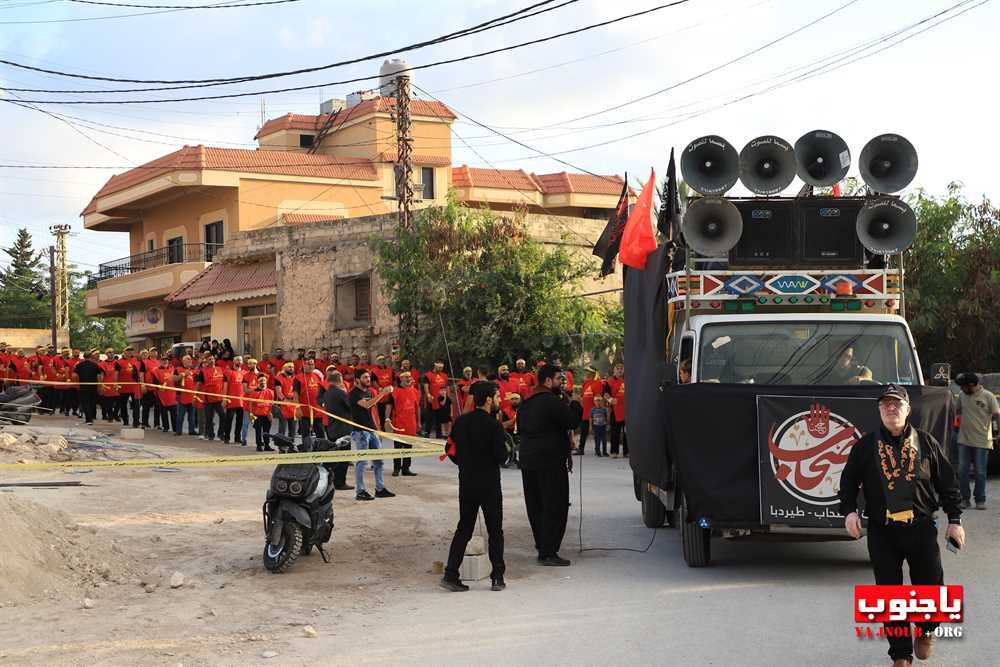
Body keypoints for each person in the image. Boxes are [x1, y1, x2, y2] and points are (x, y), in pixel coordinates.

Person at [838, 384, 965, 667]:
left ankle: (927, 630)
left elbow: (948, 484)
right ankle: (900, 655)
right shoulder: (866, 446)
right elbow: (847, 484)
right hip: (883, 531)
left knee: (930, 588)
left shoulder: (927, 442)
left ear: (908, 409)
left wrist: (955, 520)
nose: (891, 409)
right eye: (885, 405)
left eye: (897, 404)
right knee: (888, 593)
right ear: (879, 411)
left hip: (920, 528)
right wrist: (849, 512)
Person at [441, 382, 509, 592]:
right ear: (488, 399)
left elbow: (449, 450)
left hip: (467, 483)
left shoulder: (461, 422)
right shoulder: (494, 425)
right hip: (489, 485)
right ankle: (497, 577)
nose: (499, 400)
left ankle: (451, 574)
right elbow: (502, 457)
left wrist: (465, 463)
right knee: (495, 530)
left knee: (464, 528)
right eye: (497, 397)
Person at [516, 363, 582, 567]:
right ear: (547, 381)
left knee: (536, 505)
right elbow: (571, 421)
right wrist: (576, 404)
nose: (561, 383)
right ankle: (548, 551)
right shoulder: (550, 401)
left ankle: (542, 545)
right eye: (558, 379)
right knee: (555, 504)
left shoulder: (527, 401)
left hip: (528, 460)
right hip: (550, 461)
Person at [954, 372, 999, 510]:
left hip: (982, 441)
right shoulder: (962, 396)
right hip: (964, 440)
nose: (961, 389)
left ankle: (980, 499)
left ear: (972, 385)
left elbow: (997, 414)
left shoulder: (988, 396)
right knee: (962, 471)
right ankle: (964, 499)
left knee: (980, 472)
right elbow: (957, 412)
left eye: (963, 387)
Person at [348, 369, 395, 501]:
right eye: (365, 377)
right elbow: (368, 405)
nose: (368, 379)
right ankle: (360, 491)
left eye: (368, 377)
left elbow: (371, 408)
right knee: (362, 462)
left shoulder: (367, 391)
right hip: (360, 432)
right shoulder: (353, 394)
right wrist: (383, 393)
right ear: (357, 379)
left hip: (372, 430)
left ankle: (380, 489)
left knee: (379, 461)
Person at [318, 369, 353, 491]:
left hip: (332, 427)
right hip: (342, 428)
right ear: (340, 380)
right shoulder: (340, 393)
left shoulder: (327, 393)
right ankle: (340, 482)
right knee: (343, 458)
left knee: (334, 456)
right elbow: (350, 406)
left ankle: (332, 480)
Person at [386, 370, 421, 477]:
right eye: (406, 377)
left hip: (411, 423)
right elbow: (389, 406)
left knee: (408, 447)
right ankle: (396, 468)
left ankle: (406, 468)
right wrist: (387, 419)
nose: (408, 379)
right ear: (401, 379)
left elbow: (417, 408)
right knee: (398, 447)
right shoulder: (394, 392)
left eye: (409, 377)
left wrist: (419, 422)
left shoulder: (415, 391)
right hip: (398, 423)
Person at [293, 358, 326, 451]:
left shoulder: (317, 376)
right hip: (304, 411)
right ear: (304, 365)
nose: (310, 366)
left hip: (317, 410)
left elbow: (322, 391)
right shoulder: (298, 378)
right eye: (308, 364)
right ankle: (306, 450)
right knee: (306, 432)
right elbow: (295, 394)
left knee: (320, 432)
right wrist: (297, 408)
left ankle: (321, 450)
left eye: (312, 364)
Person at [195, 354, 226, 441]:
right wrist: (195, 395)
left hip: (219, 398)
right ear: (206, 361)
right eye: (209, 359)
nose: (212, 360)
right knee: (209, 418)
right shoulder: (203, 371)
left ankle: (221, 433)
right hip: (208, 398)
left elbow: (225, 381)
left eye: (212, 358)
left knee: (223, 416)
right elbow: (198, 384)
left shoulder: (220, 369)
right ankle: (210, 434)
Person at [222, 356, 248, 445]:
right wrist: (224, 398)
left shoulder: (245, 373)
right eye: (237, 360)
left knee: (239, 421)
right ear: (233, 361)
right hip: (231, 400)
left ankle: (237, 438)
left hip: (241, 401)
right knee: (228, 420)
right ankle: (226, 437)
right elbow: (225, 386)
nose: (239, 361)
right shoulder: (228, 372)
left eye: (240, 360)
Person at [577, 367, 603, 456]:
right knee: (583, 431)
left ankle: (598, 450)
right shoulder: (585, 383)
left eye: (587, 371)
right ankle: (581, 449)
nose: (586, 372)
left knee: (597, 432)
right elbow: (582, 396)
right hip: (585, 412)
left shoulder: (598, 383)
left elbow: (598, 398)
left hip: (594, 412)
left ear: (592, 373)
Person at [72, 350, 102, 425]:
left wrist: (77, 383)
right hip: (93, 387)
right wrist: (99, 386)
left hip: (83, 387)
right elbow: (99, 377)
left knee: (85, 403)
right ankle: (90, 418)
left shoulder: (79, 365)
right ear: (91, 357)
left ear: (84, 357)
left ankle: (88, 419)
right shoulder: (95, 365)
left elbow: (74, 375)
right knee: (92, 403)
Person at [604, 362, 627, 458]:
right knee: (615, 432)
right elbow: (605, 394)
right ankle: (614, 451)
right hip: (615, 410)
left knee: (627, 432)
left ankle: (627, 452)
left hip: (627, 410)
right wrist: (610, 400)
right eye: (617, 368)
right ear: (614, 370)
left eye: (621, 368)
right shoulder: (609, 381)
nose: (620, 370)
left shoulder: (629, 379)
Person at [247, 375, 276, 452]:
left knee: (266, 432)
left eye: (264, 381)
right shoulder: (253, 393)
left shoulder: (270, 392)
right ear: (258, 382)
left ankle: (267, 445)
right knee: (258, 431)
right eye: (261, 381)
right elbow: (250, 404)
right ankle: (259, 445)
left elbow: (271, 404)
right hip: (257, 415)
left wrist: (270, 413)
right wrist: (251, 414)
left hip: (267, 415)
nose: (262, 383)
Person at [173, 355, 198, 436]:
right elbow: (174, 379)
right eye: (188, 360)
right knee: (180, 415)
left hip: (192, 395)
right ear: (183, 361)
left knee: (192, 416)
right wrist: (183, 375)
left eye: (190, 360)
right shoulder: (178, 369)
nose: (190, 361)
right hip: (182, 396)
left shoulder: (194, 370)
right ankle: (178, 431)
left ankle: (192, 430)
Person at [273, 362, 298, 441]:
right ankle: (281, 446)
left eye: (293, 367)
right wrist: (286, 401)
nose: (291, 368)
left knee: (293, 428)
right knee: (282, 428)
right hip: (283, 405)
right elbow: (279, 393)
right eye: (289, 367)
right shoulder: (279, 378)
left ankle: (291, 445)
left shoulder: (295, 378)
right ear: (285, 368)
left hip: (293, 405)